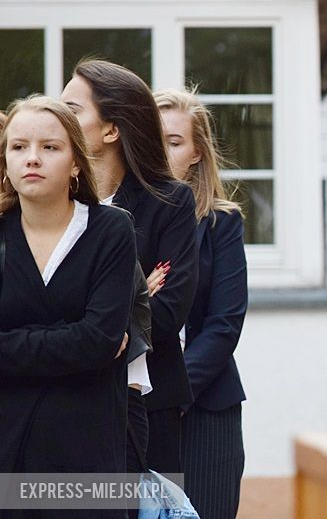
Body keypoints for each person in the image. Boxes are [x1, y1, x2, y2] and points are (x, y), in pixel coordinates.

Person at [62, 60, 199, 476]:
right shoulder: (55, 202)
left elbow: (168, 310)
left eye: (73, 109)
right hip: (64, 399)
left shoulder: (170, 202)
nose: (59, 118)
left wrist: (82, 319)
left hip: (147, 400)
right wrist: (130, 300)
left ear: (111, 129)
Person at [0, 96, 135, 504]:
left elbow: (100, 339)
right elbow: (92, 343)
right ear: (5, 161)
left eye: (50, 147)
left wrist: (12, 345)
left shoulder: (110, 230)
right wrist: (75, 343)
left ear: (76, 162)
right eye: (19, 147)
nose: (32, 158)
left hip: (87, 454)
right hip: (7, 448)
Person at [155, 89, 247, 518]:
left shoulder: (221, 223)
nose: (161, 150)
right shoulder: (118, 220)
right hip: (131, 406)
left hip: (206, 406)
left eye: (174, 142)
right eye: (152, 138)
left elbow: (224, 323)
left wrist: (175, 391)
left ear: (195, 154)